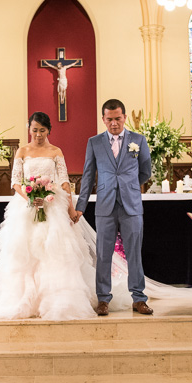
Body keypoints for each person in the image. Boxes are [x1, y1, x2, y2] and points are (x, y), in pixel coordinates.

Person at [0, 112, 132, 320]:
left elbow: (63, 181)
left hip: (54, 206)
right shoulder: (22, 151)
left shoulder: (55, 151)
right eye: (34, 130)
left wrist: (70, 209)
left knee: (56, 253)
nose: (38, 134)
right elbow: (15, 181)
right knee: (24, 253)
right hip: (26, 208)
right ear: (29, 129)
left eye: (42, 131)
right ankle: (25, 300)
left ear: (49, 131)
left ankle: (57, 300)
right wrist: (30, 196)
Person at [75, 99, 153, 315]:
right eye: (109, 119)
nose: (114, 123)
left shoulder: (138, 140)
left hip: (131, 206)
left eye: (118, 118)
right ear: (103, 119)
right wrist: (81, 205)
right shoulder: (95, 142)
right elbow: (88, 175)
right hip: (105, 206)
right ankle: (103, 299)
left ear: (125, 118)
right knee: (103, 254)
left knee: (134, 253)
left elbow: (145, 170)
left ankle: (138, 298)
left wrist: (128, 185)